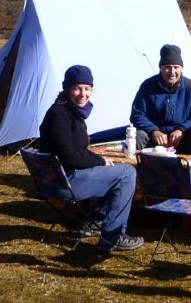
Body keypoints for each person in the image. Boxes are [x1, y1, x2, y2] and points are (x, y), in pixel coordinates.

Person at [38, 64, 143, 254]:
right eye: (77, 88)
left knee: (115, 172)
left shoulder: (70, 111)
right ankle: (113, 237)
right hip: (65, 182)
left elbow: (77, 150)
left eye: (87, 89)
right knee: (127, 173)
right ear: (67, 88)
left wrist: (99, 159)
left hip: (58, 178)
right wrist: (100, 162)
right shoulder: (59, 115)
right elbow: (69, 157)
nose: (83, 94)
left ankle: (95, 222)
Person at [129, 44, 191, 153]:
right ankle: (139, 167)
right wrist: (154, 131)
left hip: (181, 138)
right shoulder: (147, 86)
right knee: (139, 135)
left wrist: (181, 129)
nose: (172, 72)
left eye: (176, 67)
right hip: (155, 138)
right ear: (160, 68)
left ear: (181, 68)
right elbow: (137, 114)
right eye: (167, 67)